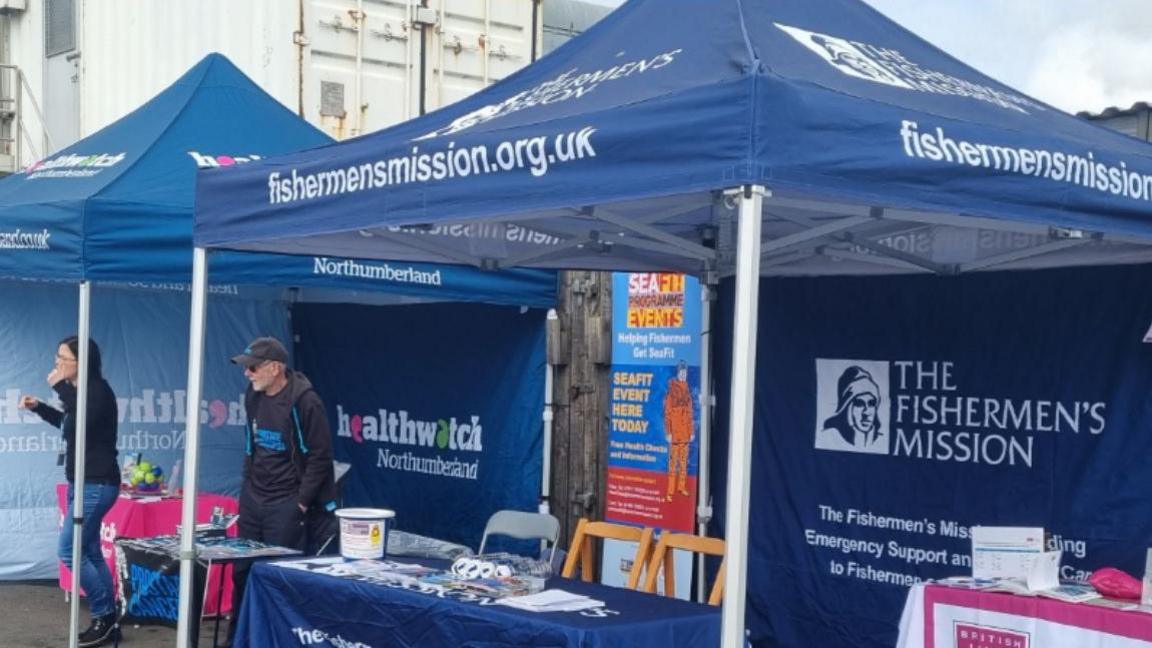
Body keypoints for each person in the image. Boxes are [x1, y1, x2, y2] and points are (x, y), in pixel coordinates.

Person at [226, 336, 338, 645]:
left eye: (253, 367)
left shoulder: (305, 400)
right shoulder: (253, 395)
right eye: (246, 368)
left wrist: (301, 502)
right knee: (242, 572)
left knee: (277, 576)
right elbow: (252, 444)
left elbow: (320, 456)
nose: (247, 374)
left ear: (275, 368)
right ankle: (238, 638)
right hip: (254, 498)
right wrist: (246, 487)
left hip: (287, 503)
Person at [20, 336, 120, 648]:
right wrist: (40, 408)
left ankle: (104, 615)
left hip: (97, 481)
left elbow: (86, 420)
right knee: (88, 550)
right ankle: (109, 620)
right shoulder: (79, 394)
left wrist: (60, 386)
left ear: (81, 362)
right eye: (57, 357)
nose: (58, 363)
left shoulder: (98, 392)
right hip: (82, 481)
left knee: (69, 550)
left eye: (64, 358)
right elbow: (69, 424)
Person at [817, 365, 887, 454]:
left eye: (871, 404)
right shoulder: (827, 437)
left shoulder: (881, 439)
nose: (866, 412)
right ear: (847, 408)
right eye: (859, 404)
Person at [663, 360, 694, 502]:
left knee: (683, 463)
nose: (683, 375)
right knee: (672, 464)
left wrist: (691, 432)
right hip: (675, 434)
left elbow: (690, 414)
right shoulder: (671, 392)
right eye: (681, 372)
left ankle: (681, 487)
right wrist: (668, 432)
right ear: (678, 373)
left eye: (685, 373)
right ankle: (670, 491)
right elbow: (667, 413)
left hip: (685, 434)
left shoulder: (687, 392)